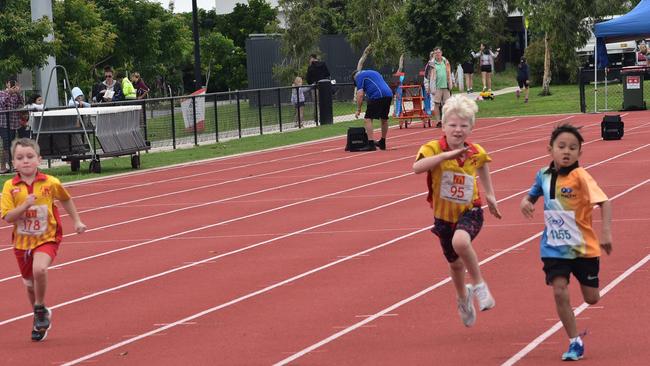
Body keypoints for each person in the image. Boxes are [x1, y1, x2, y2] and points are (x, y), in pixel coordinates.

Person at [520, 124, 612, 361]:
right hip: (554, 247)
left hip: (584, 248)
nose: (566, 152)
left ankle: (587, 297)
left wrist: (606, 233)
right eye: (561, 147)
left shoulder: (581, 177)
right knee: (559, 291)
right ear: (550, 149)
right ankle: (574, 341)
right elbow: (532, 194)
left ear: (580, 153)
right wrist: (526, 202)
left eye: (573, 148)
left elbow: (605, 202)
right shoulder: (543, 175)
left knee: (592, 298)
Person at [413, 94, 502, 327]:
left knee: (461, 243)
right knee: (454, 264)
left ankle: (480, 285)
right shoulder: (432, 148)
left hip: (470, 211)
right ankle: (463, 298)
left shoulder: (475, 151)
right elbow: (417, 168)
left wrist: (490, 195)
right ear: (443, 126)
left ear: (471, 128)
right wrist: (446, 155)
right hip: (443, 217)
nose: (458, 130)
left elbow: (483, 166)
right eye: (452, 125)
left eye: (464, 126)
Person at [1, 138, 86, 342]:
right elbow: (7, 217)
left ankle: (39, 308)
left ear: (39, 159)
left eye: (30, 157)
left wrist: (77, 221)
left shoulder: (50, 182)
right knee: (29, 284)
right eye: (20, 158)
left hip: (48, 237)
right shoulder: (9, 186)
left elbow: (65, 198)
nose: (26, 161)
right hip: (22, 243)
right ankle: (39, 315)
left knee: (40, 270)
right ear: (14, 163)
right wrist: (24, 207)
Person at [353, 69, 393, 151]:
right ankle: (382, 142)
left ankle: (371, 144)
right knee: (384, 118)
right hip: (388, 94)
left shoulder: (359, 77)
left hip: (377, 95)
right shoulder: (374, 72)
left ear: (355, 77)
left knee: (368, 119)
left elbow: (360, 94)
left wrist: (358, 109)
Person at [0, 78, 25, 173]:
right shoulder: (2, 93)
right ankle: (3, 166)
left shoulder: (16, 95)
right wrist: (9, 93)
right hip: (3, 123)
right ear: (6, 84)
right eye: (11, 83)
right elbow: (3, 104)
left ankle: (12, 165)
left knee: (12, 144)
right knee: (6, 144)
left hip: (14, 123)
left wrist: (18, 93)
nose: (12, 85)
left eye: (15, 84)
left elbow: (21, 103)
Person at [426, 47, 453, 127]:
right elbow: (427, 77)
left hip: (446, 86)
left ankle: (446, 120)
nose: (437, 54)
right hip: (436, 87)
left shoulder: (446, 62)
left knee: (447, 104)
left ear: (441, 53)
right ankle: (438, 121)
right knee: (436, 104)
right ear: (434, 54)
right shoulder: (431, 64)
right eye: (436, 53)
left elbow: (449, 72)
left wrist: (452, 82)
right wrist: (428, 87)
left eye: (439, 52)